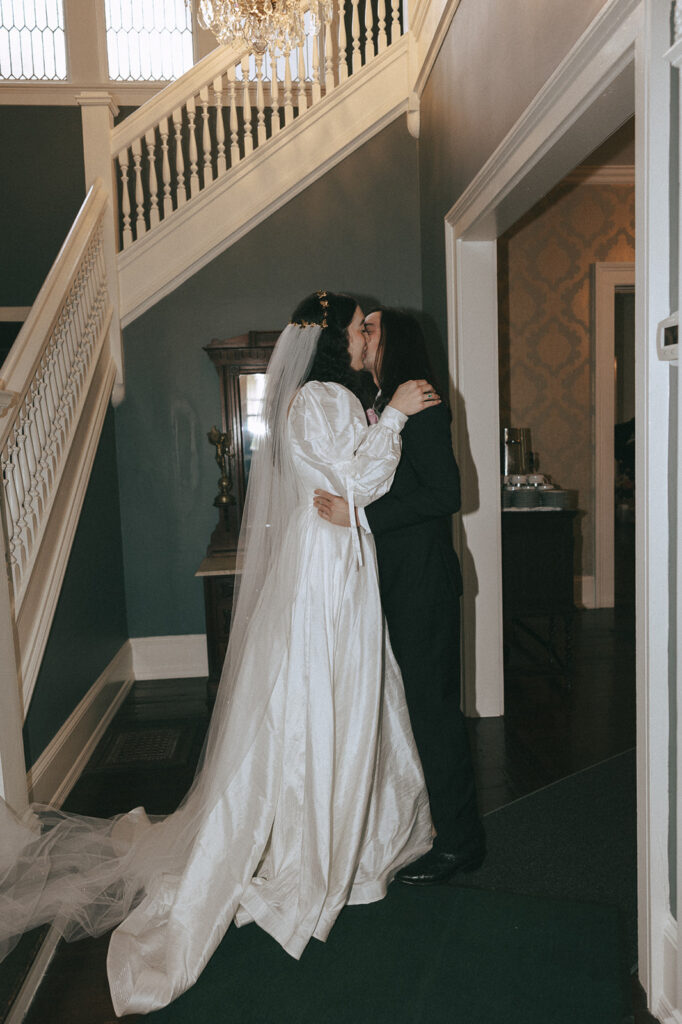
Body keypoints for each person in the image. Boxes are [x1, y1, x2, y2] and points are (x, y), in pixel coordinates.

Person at [0, 292, 440, 1017]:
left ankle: (358, 836)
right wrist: (391, 417)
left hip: (339, 565)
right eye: (361, 328)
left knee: (354, 693)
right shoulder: (319, 400)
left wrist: (371, 436)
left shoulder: (332, 397)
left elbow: (353, 484)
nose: (371, 337)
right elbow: (357, 482)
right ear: (335, 339)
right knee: (320, 699)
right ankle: (314, 849)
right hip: (325, 576)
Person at [314, 307, 485, 885]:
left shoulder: (424, 401)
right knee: (411, 712)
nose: (362, 335)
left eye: (372, 330)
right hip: (394, 580)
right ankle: (433, 826)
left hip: (423, 581)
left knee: (435, 714)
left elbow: (446, 494)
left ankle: (462, 843)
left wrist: (361, 515)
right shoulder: (382, 400)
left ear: (396, 341)